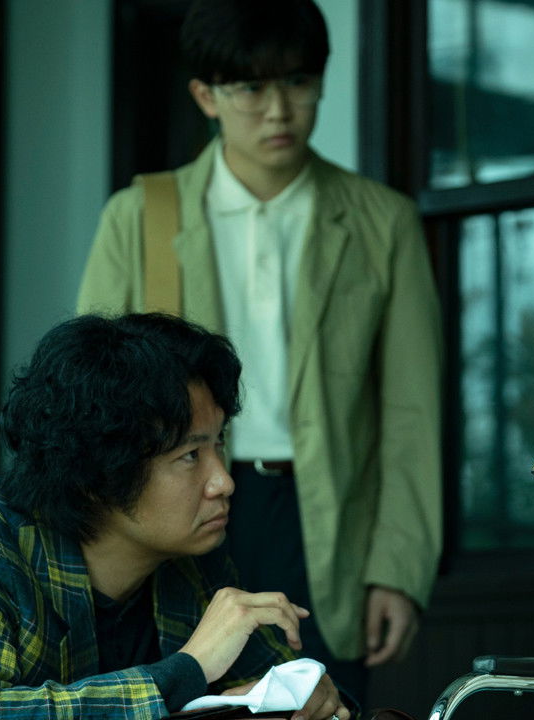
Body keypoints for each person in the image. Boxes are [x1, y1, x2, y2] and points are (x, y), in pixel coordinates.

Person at [76, 0, 442, 702]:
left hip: (325, 518)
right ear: (205, 95)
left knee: (320, 705)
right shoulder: (140, 217)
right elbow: (90, 403)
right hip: (174, 503)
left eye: (298, 82)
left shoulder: (382, 222)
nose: (279, 110)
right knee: (181, 697)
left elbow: (411, 412)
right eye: (250, 88)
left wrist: (397, 566)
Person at [0, 313, 348, 720]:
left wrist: (306, 694)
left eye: (218, 442)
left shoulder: (190, 557)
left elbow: (268, 684)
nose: (223, 481)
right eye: (189, 455)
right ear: (98, 473)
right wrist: (188, 670)